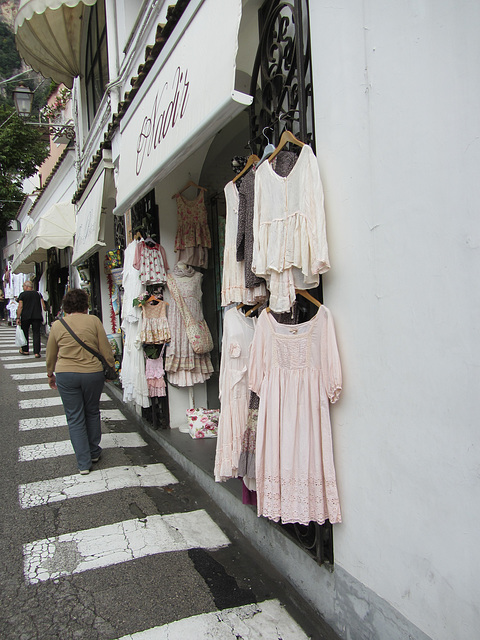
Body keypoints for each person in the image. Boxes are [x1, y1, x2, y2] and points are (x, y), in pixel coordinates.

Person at [46, 288, 115, 475]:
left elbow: (51, 353)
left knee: (74, 416)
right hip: (92, 373)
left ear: (66, 306)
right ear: (85, 304)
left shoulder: (57, 325)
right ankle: (94, 451)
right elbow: (105, 349)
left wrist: (50, 374)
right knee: (92, 411)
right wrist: (111, 368)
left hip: (66, 374)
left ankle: (83, 463)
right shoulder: (94, 321)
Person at [16, 281, 47, 357]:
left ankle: (25, 350)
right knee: (36, 333)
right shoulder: (38, 294)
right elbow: (44, 306)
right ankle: (36, 352)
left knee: (25, 333)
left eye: (23, 286)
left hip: (25, 316)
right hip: (36, 316)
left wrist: (18, 317)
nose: (23, 287)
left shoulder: (22, 295)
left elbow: (20, 306)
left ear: (26, 287)